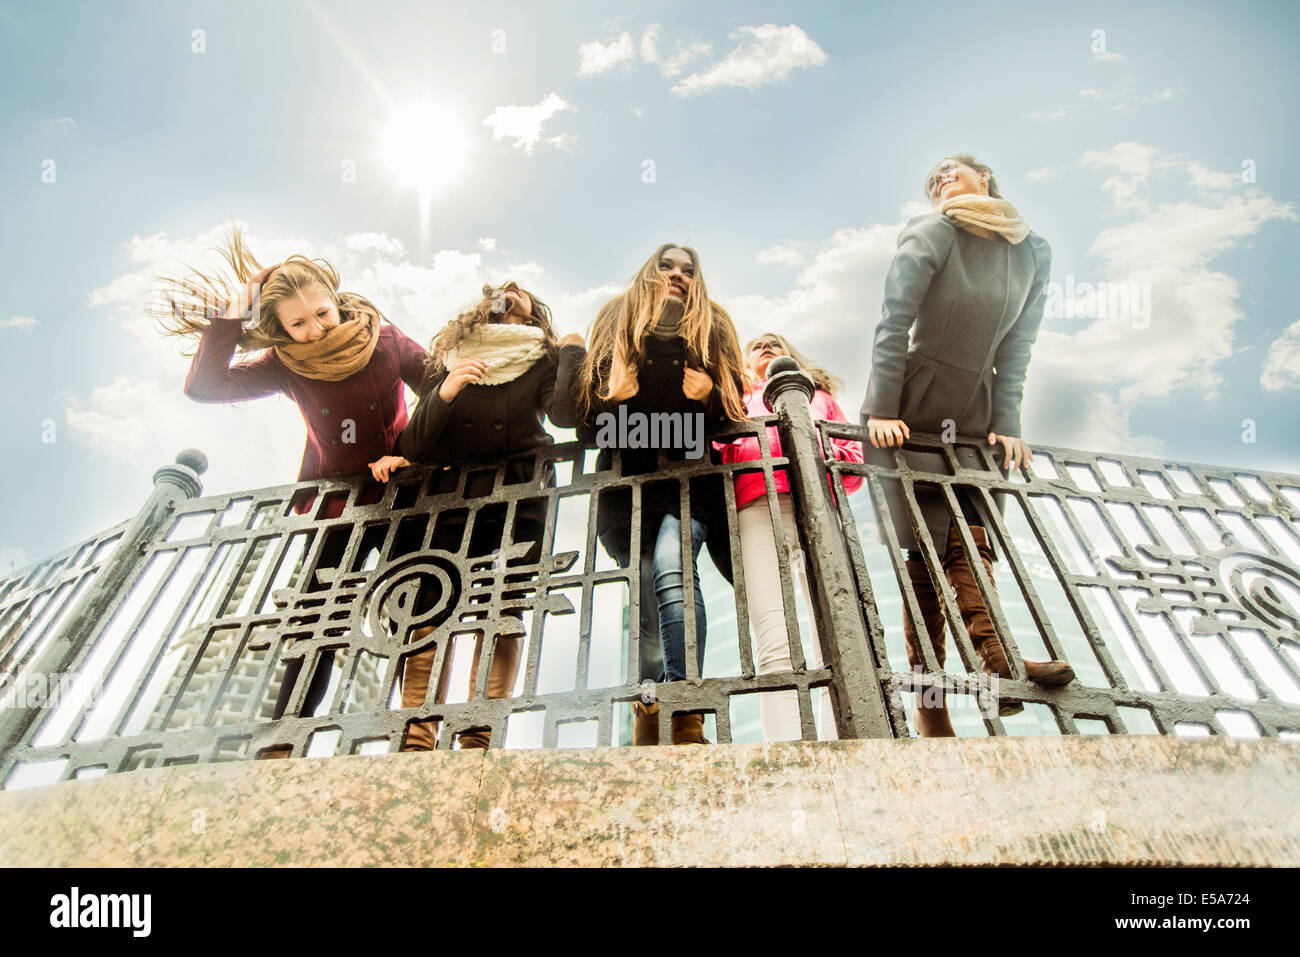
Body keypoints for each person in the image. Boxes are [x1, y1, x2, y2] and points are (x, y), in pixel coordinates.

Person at [157, 226, 427, 748]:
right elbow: (204, 386)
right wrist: (235, 311)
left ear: (337, 300)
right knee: (318, 622)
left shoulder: (385, 339)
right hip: (334, 505)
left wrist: (411, 451)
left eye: (322, 314)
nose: (315, 330)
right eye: (298, 323)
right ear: (279, 327)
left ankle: (412, 734)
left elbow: (438, 390)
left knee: (415, 611)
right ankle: (284, 738)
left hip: (404, 493)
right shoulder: (286, 362)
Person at [861, 154, 1074, 737]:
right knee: (927, 554)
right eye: (932, 177)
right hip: (909, 414)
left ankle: (992, 661)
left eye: (952, 168)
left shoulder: (1033, 251)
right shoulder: (932, 230)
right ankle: (944, 692)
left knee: (973, 543)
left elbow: (1019, 346)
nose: (939, 176)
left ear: (988, 177)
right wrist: (882, 407)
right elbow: (893, 321)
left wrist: (1009, 421)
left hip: (977, 421)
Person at [379, 282, 584, 750]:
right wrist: (447, 391)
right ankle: (416, 734)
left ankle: (478, 732)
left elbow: (566, 416)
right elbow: (416, 446)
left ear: (535, 314)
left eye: (521, 289)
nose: (509, 290)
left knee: (504, 605)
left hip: (519, 494)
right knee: (430, 605)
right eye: (500, 288)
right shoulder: (450, 355)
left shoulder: (543, 355)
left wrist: (571, 352)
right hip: (449, 498)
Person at [571, 244, 747, 745]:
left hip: (691, 483)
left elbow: (733, 420)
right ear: (648, 272)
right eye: (666, 266)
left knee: (674, 564)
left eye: (688, 270)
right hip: (629, 489)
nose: (677, 275)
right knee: (647, 597)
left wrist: (709, 394)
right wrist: (612, 400)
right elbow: (584, 427)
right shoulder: (615, 318)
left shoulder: (713, 325)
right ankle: (650, 715)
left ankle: (685, 707)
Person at [719, 333, 863, 741]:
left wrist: (818, 449)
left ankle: (842, 742)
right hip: (756, 504)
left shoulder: (819, 396)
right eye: (756, 345)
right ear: (744, 362)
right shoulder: (734, 397)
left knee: (836, 634)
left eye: (775, 342)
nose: (766, 346)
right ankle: (787, 747)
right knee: (772, 631)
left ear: (792, 356)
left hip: (820, 510)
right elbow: (717, 449)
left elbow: (852, 460)